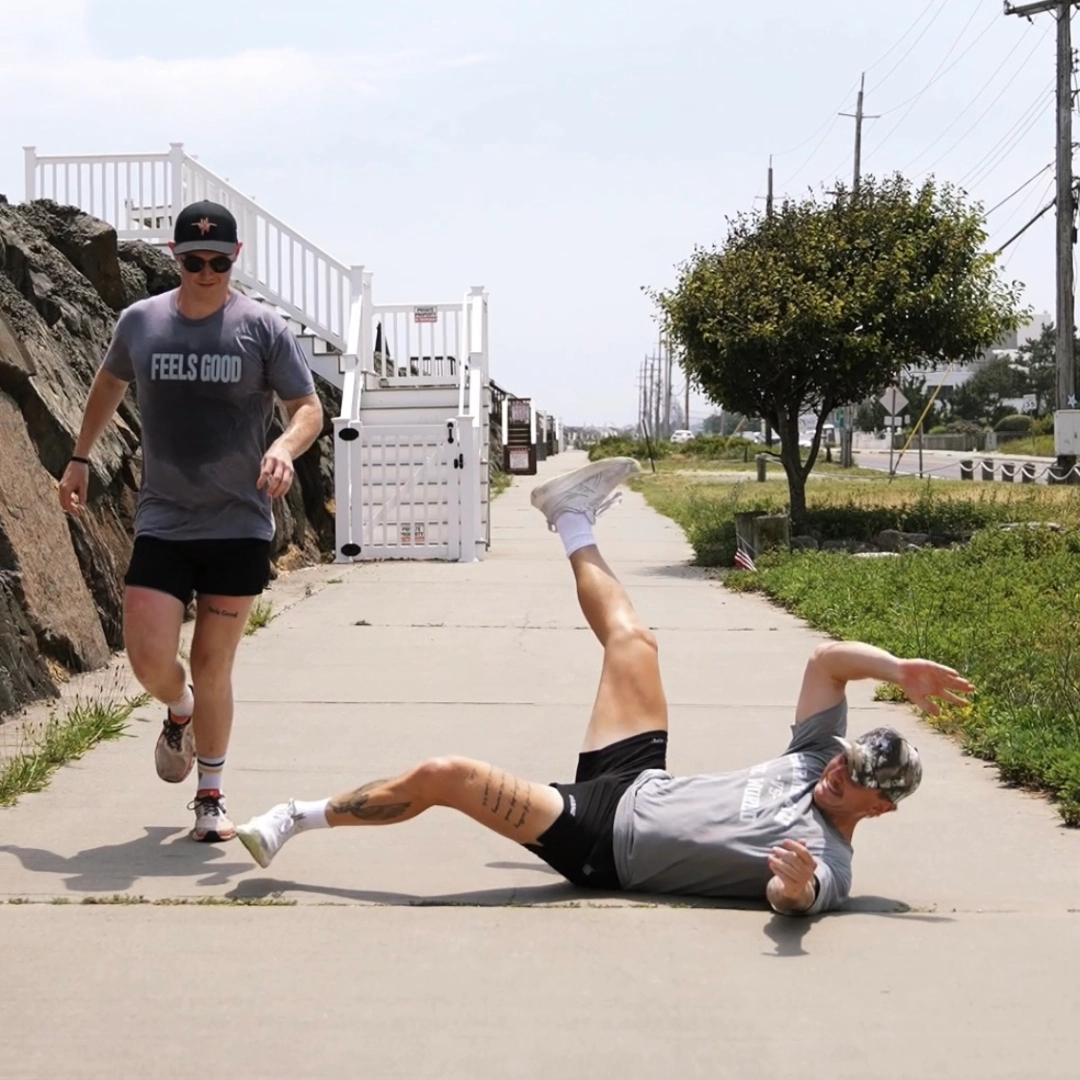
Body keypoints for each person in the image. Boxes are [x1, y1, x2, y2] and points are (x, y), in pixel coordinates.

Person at [235, 457, 974, 914]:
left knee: (444, 775)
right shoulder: (820, 760)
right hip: (635, 780)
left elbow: (797, 899)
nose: (840, 770)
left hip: (602, 843)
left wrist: (793, 884)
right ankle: (572, 517)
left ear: (879, 807)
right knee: (634, 642)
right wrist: (896, 669)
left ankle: (293, 819)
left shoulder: (829, 857)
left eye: (856, 779)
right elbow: (823, 662)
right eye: (849, 757)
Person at [58, 200, 324, 844]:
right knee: (151, 659)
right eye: (193, 260)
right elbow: (107, 384)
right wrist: (79, 457)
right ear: (174, 257)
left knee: (212, 665)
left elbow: (307, 408)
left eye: (219, 261)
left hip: (238, 522)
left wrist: (283, 448)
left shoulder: (263, 328)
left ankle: (210, 796)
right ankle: (177, 711)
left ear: (236, 259)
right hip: (165, 518)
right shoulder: (141, 322)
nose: (206, 271)